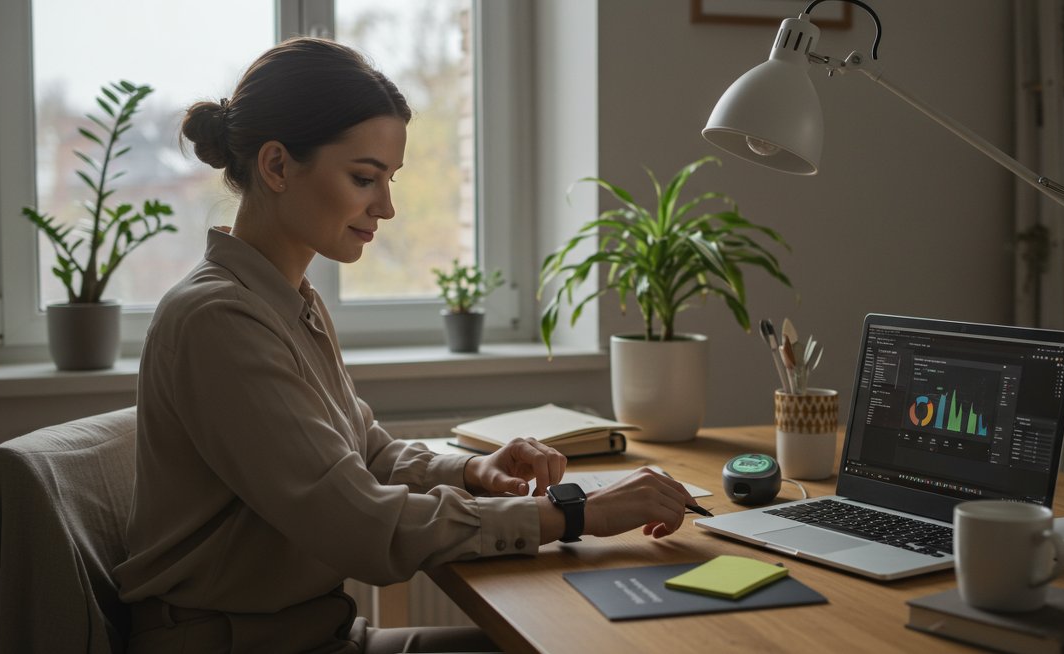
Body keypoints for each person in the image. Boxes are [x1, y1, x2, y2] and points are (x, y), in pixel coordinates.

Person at [114, 37, 699, 654]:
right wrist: (577, 515)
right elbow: (360, 525)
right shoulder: (218, 319)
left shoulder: (289, 302)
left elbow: (364, 453)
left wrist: (475, 470)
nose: (387, 207)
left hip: (315, 633)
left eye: (388, 179)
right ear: (278, 166)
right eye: (365, 178)